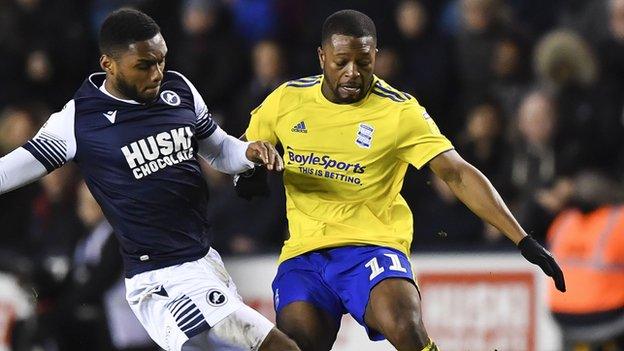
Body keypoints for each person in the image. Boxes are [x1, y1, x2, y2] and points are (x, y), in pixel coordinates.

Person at [240, 9, 566, 351]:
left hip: (373, 246)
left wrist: (523, 239)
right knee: (294, 344)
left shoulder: (399, 111)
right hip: (305, 253)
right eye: (341, 62)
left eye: (364, 62)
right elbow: (242, 151)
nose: (353, 73)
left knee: (404, 324)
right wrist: (247, 174)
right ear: (322, 57)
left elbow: (456, 172)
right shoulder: (286, 100)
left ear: (375, 57)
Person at [0, 8, 299, 351]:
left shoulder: (179, 90)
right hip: (156, 276)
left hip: (202, 261)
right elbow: (10, 169)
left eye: (161, 60)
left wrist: (247, 153)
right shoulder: (79, 120)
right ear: (108, 64)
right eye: (144, 65)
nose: (157, 73)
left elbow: (219, 151)